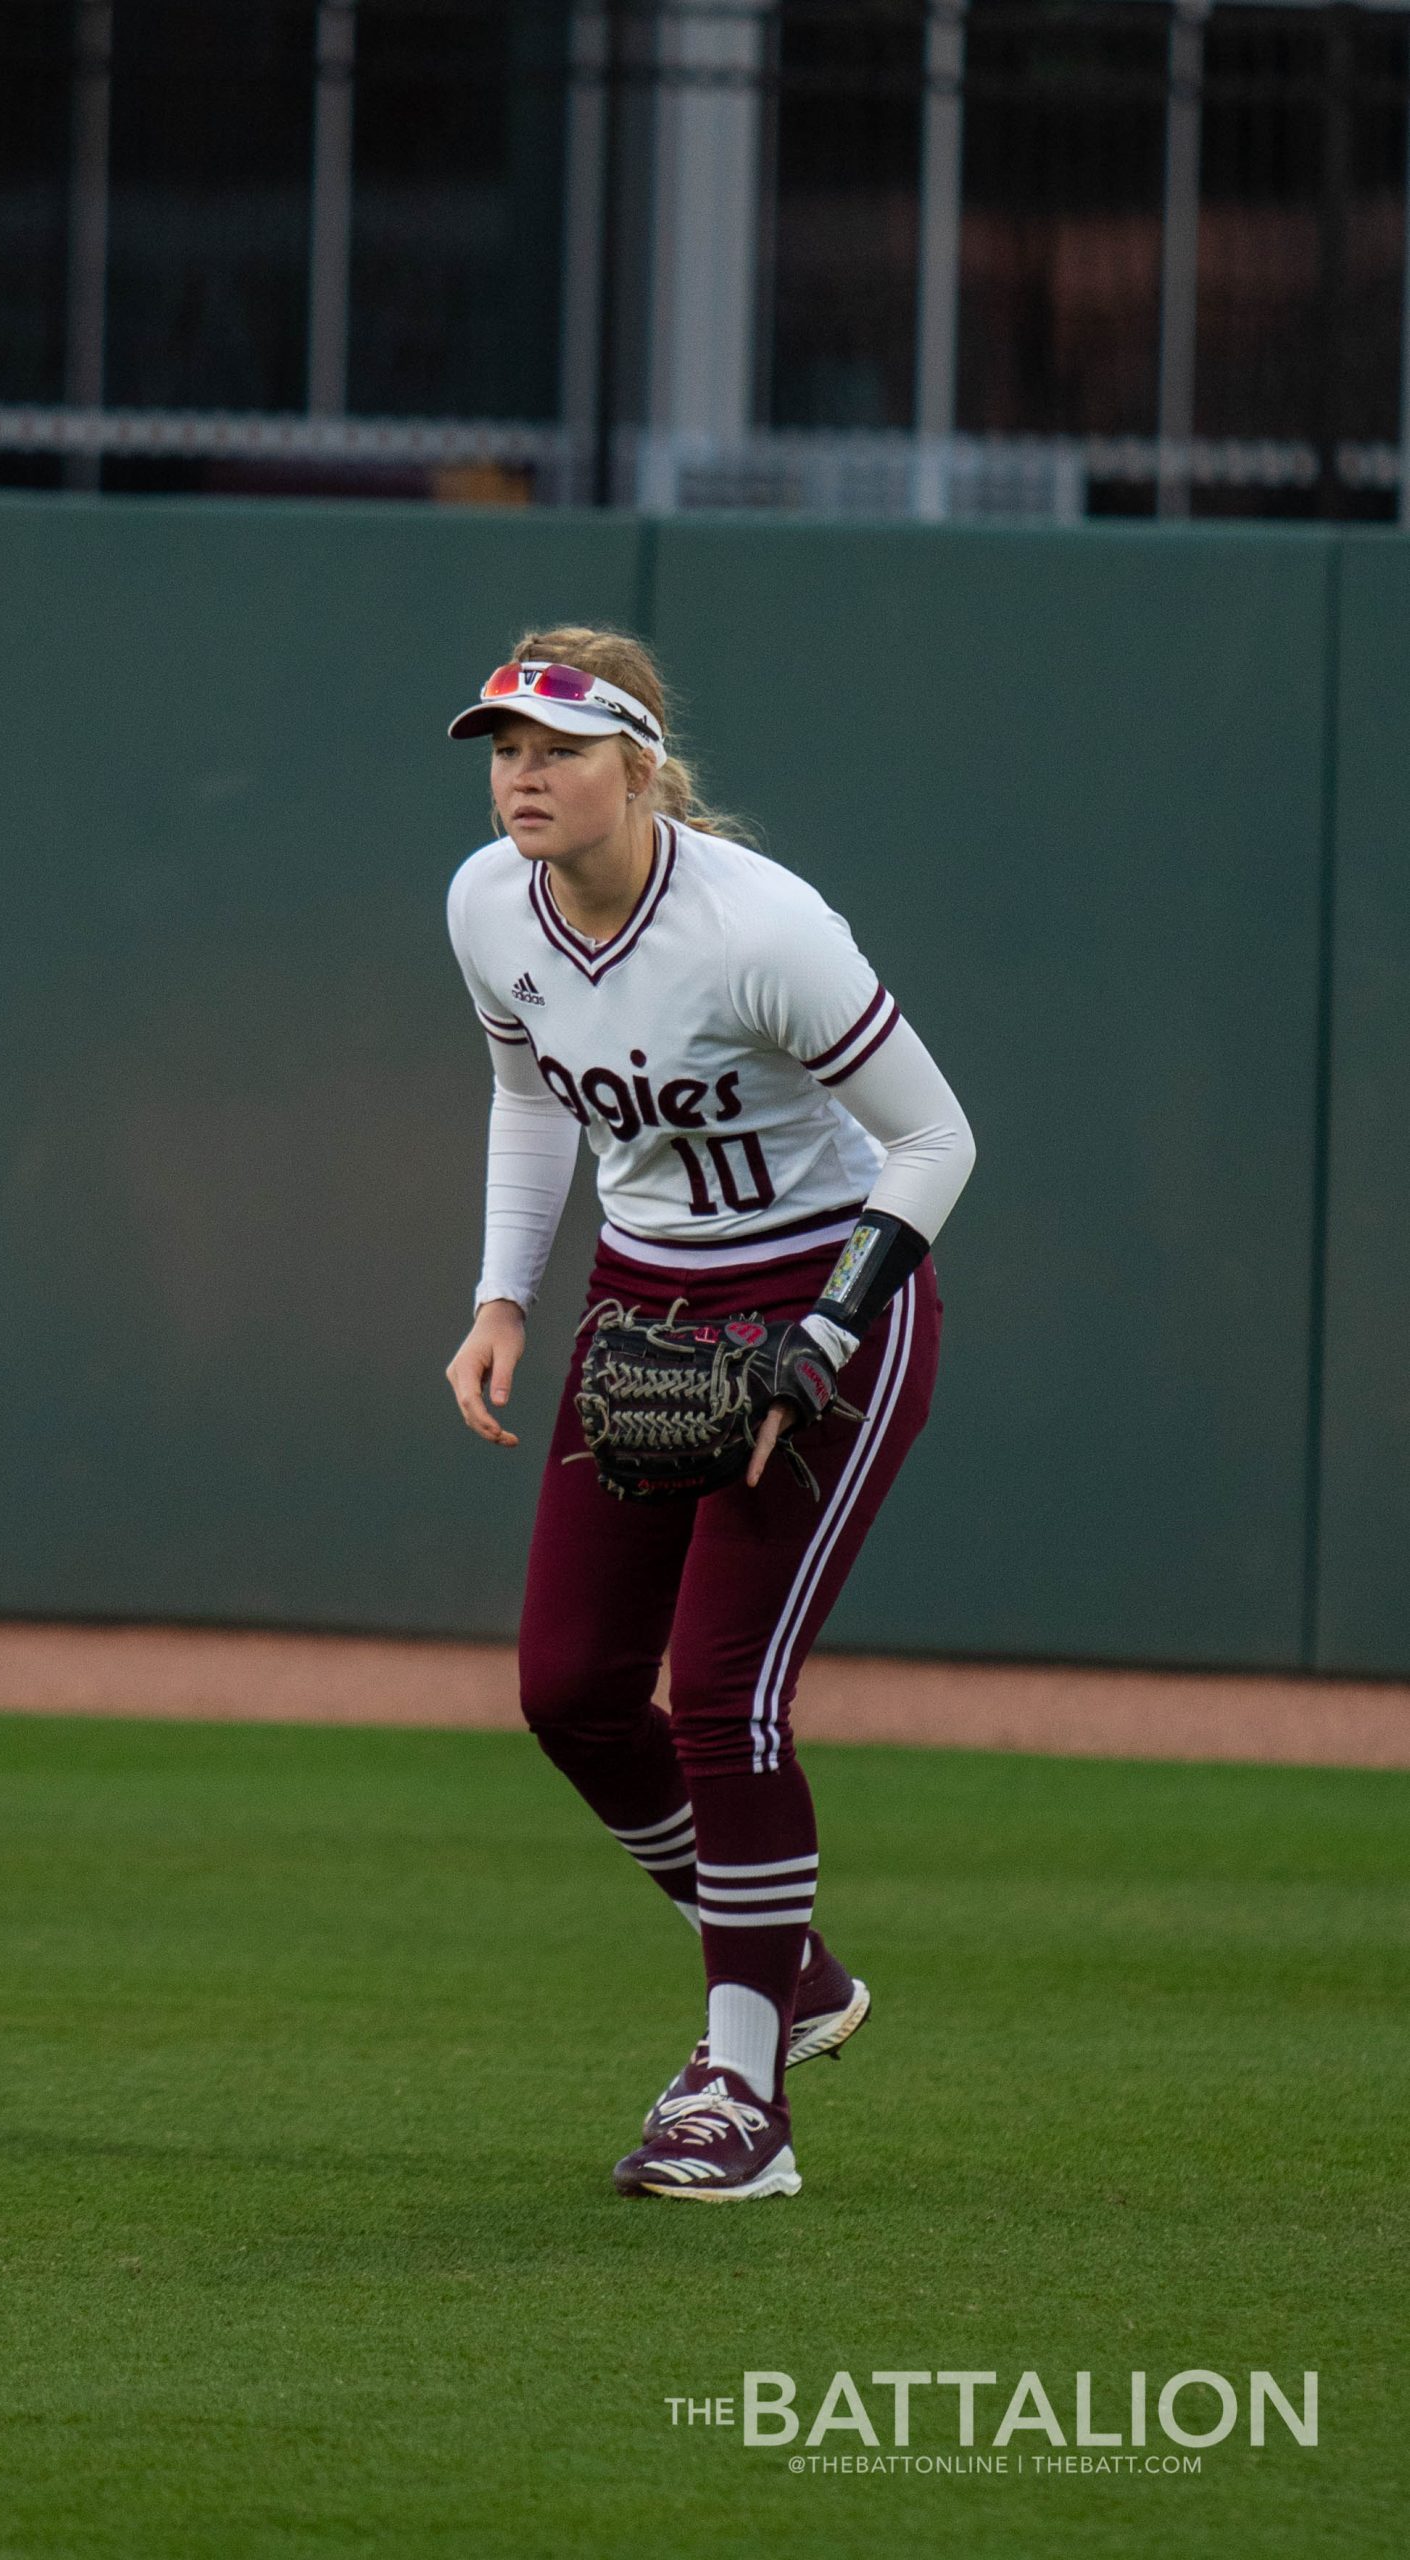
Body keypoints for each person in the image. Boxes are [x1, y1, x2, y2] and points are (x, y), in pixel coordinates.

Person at [443, 628, 975, 2202]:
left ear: (638, 767)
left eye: (559, 750)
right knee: (568, 1691)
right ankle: (787, 1963)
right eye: (504, 748)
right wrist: (500, 1299)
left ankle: (739, 2093)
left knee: (719, 1700)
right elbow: (532, 1094)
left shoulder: (760, 928)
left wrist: (823, 1331)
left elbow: (935, 1140)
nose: (524, 777)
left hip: (826, 1307)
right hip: (643, 1300)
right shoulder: (488, 904)